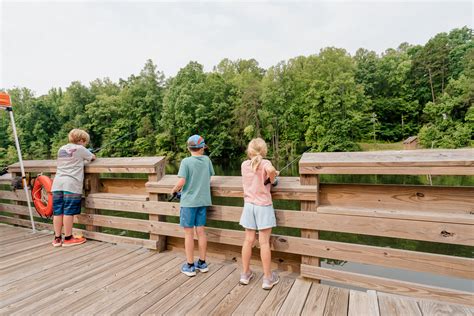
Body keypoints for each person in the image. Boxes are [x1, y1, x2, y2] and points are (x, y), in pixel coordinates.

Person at [171, 134, 215, 276]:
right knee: (201, 232)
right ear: (202, 148)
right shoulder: (207, 160)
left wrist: (174, 190)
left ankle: (190, 265)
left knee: (189, 234)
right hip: (203, 202)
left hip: (189, 203)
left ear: (188, 148)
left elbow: (182, 181)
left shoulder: (185, 162)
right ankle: (202, 263)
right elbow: (209, 177)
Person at [239, 138, 280, 290]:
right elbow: (269, 171)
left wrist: (271, 176)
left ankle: (245, 274)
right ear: (264, 151)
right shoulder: (265, 163)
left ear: (249, 151)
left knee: (248, 240)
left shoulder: (244, 165)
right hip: (263, 206)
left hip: (249, 205)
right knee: (264, 243)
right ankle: (268, 278)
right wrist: (273, 177)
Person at [51, 129, 95, 247]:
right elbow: (92, 157)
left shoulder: (61, 149)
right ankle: (69, 238)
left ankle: (57, 238)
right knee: (68, 212)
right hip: (71, 184)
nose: (85, 144)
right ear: (81, 140)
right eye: (85, 142)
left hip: (57, 184)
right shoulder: (81, 149)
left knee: (58, 212)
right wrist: (89, 152)